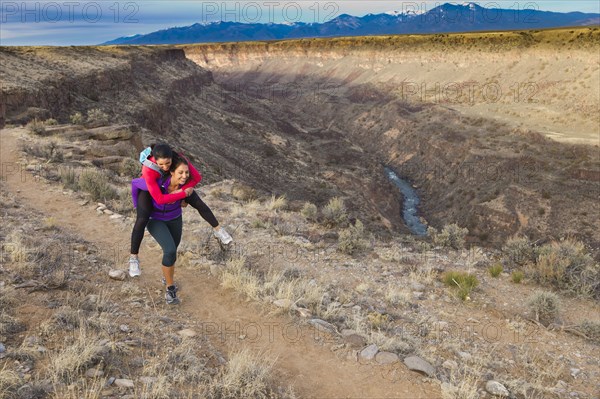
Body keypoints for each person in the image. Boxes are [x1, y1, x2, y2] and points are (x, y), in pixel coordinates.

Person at [129, 143, 232, 278]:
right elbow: (159, 199)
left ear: (172, 158)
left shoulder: (178, 159)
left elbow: (197, 178)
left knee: (198, 202)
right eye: (161, 165)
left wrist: (184, 190)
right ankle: (134, 258)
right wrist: (182, 194)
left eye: (168, 163)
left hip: (169, 185)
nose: (165, 167)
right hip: (149, 188)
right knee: (142, 219)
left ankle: (218, 229)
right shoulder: (148, 170)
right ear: (155, 160)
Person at [131, 154, 192, 304]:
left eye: (186, 173)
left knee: (173, 252)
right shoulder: (152, 182)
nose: (184, 176)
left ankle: (167, 277)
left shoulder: (183, 181)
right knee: (170, 250)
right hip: (155, 219)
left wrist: (218, 228)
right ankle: (170, 290)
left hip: (175, 218)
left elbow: (198, 202)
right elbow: (138, 190)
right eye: (180, 172)